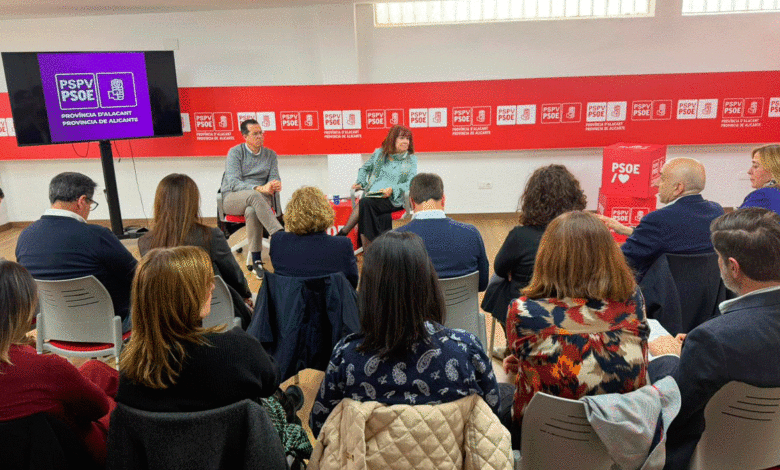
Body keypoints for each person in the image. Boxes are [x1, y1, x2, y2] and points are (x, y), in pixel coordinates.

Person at [309, 231, 499, 437]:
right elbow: (493, 419)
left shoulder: (347, 357)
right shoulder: (466, 350)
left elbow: (320, 425)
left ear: (369, 291)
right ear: (429, 284)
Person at [645, 208, 780, 470]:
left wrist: (668, 356)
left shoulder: (712, 339)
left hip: (707, 457)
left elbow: (673, 412)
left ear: (733, 267)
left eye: (718, 257)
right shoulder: (712, 338)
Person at [502, 211, 649, 447]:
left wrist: (528, 362)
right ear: (610, 256)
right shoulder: (633, 300)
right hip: (618, 441)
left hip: (543, 443)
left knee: (501, 392)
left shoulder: (523, 311)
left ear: (548, 257)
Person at [116, 246, 280, 412]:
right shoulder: (234, 348)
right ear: (185, 296)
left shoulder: (131, 359)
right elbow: (271, 381)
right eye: (203, 283)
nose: (212, 287)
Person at [0, 260, 118, 466]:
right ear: (23, 309)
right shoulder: (45, 367)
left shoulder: (39, 367)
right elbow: (99, 409)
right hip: (78, 452)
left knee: (94, 369)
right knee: (116, 405)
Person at [15, 172, 137, 330]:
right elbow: (138, 275)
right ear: (81, 201)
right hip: (109, 327)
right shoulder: (97, 235)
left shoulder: (25, 236)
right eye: (90, 204)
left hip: (54, 328)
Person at [138, 174, 253, 326]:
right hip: (214, 317)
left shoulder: (144, 243)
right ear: (193, 203)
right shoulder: (210, 236)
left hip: (168, 322)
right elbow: (234, 275)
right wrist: (246, 295)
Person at [482, 164, 587, 330]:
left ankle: (511, 342)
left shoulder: (520, 236)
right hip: (573, 315)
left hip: (525, 313)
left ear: (532, 199)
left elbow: (500, 269)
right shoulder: (586, 236)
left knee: (498, 284)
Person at [597, 157, 724, 280]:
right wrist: (628, 230)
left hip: (657, 292)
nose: (656, 183)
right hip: (707, 290)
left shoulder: (658, 220)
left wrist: (599, 242)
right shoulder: (716, 211)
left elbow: (622, 261)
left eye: (662, 178)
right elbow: (678, 238)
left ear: (678, 188)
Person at [396, 173, 489, 290]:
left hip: (415, 302)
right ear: (443, 200)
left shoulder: (395, 239)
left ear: (411, 202)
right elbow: (482, 284)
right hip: (461, 302)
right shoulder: (471, 234)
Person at [221, 118, 284, 276]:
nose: (260, 136)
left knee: (252, 210)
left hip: (260, 199)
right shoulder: (235, 153)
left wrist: (274, 184)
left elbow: (274, 177)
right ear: (245, 136)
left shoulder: (270, 155)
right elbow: (234, 183)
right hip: (233, 198)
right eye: (255, 134)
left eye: (261, 133)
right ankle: (279, 234)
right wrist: (259, 188)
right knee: (254, 196)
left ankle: (256, 260)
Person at [337, 125, 417, 248]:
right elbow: (364, 169)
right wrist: (361, 182)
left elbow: (410, 183)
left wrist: (393, 190)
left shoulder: (411, 159)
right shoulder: (379, 153)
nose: (406, 141)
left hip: (394, 199)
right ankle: (374, 249)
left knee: (364, 204)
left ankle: (345, 234)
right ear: (393, 139)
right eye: (402, 138)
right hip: (374, 196)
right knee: (367, 207)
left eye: (408, 139)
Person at [269, 186, 358, 287]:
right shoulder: (342, 245)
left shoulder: (278, 241)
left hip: (289, 297)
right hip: (332, 297)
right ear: (326, 212)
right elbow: (352, 283)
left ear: (290, 213)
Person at [739, 144, 780, 214]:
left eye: (755, 166)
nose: (749, 171)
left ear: (774, 170)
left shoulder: (763, 196)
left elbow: (736, 221)